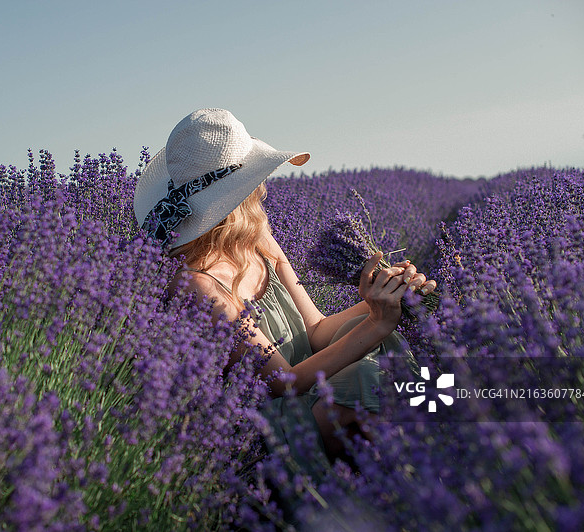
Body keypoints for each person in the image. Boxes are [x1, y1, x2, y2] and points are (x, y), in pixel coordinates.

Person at [133, 108, 435, 468]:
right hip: (270, 425)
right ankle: (417, 470)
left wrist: (383, 296)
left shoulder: (259, 242)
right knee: (367, 374)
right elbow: (284, 383)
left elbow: (316, 331)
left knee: (376, 342)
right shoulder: (198, 285)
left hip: (314, 391)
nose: (264, 186)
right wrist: (378, 322)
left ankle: (442, 439)